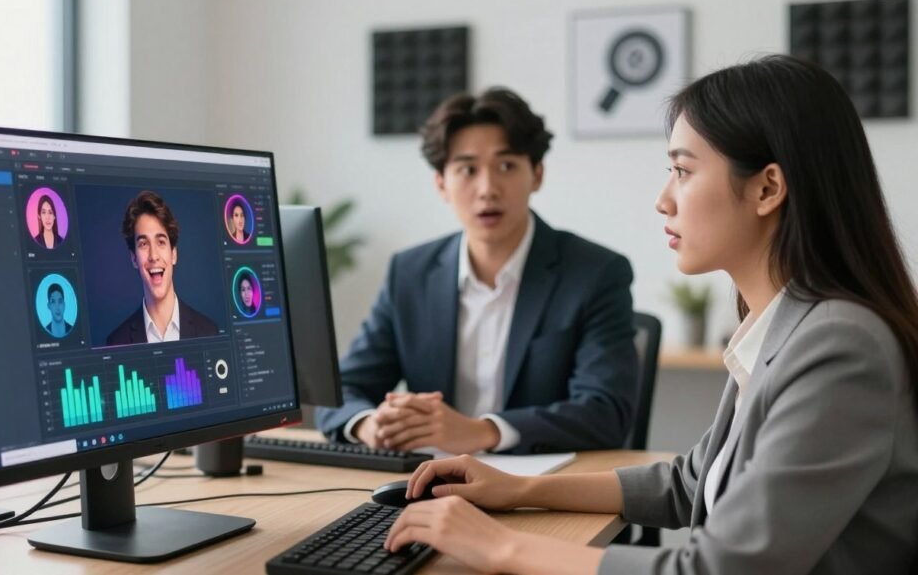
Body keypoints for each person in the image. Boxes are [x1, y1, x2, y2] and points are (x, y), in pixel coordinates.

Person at [383, 55, 918, 574]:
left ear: (767, 188)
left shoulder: (840, 346)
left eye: (683, 171)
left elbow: (719, 568)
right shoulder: (780, 325)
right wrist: (519, 489)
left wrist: (502, 548)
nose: (663, 200)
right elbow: (690, 483)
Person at [315, 88, 638, 455]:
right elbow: (339, 391)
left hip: (543, 490)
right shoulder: (410, 273)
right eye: (467, 169)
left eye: (506, 166)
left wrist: (484, 432)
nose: (487, 189)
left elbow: (607, 412)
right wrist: (369, 424)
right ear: (441, 184)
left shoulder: (596, 273)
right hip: (431, 484)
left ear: (537, 175)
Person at [106, 190, 220, 345]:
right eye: (143, 244)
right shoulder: (118, 342)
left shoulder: (209, 333)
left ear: (173, 254)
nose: (154, 256)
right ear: (133, 258)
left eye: (160, 242)